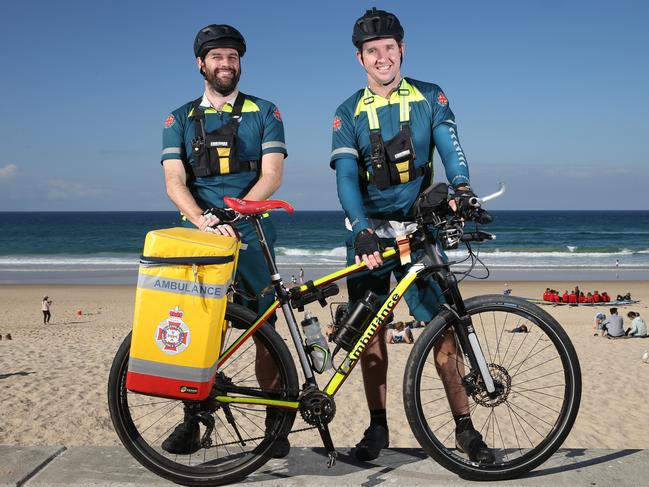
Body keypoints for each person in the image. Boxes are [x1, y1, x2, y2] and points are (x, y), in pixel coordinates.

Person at [330, 8, 493, 463]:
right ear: (360, 58)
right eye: (371, 51)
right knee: (370, 335)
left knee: (444, 333)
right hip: (370, 237)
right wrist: (362, 231)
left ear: (402, 49)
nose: (382, 58)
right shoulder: (347, 113)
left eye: (388, 48)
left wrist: (461, 186)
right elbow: (346, 178)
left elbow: (451, 148)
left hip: (420, 233)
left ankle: (464, 427)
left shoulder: (430, 96)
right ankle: (377, 427)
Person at [160, 24, 288, 457]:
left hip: (253, 231)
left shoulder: (265, 111)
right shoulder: (178, 119)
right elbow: (174, 181)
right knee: (201, 331)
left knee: (264, 328)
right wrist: (203, 220)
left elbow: (271, 174)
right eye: (216, 57)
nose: (225, 64)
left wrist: (235, 213)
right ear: (201, 63)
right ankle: (193, 421)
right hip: (203, 236)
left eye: (232, 57)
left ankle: (275, 426)